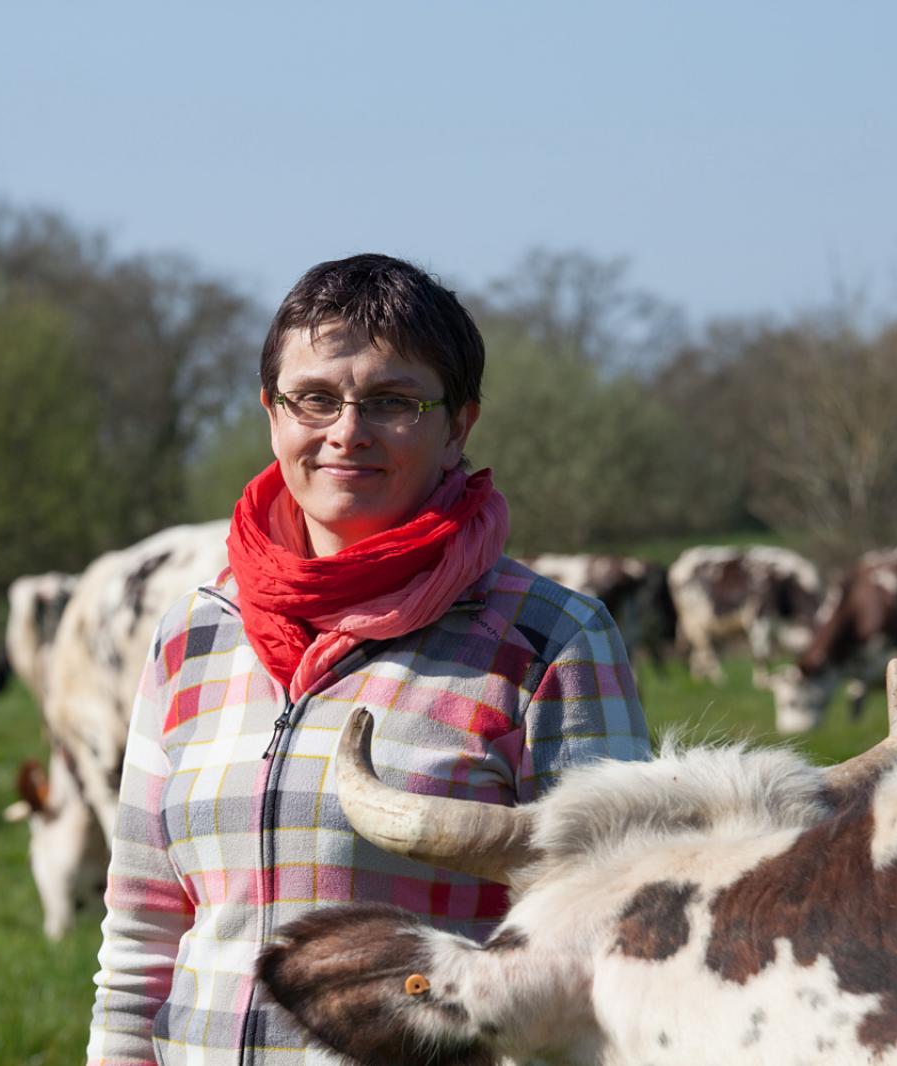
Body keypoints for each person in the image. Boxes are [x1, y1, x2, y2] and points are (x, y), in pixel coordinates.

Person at [86, 253, 651, 1065]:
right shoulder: (193, 636)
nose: (347, 431)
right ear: (272, 414)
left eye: (393, 402)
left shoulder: (551, 641)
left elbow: (609, 948)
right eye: (314, 398)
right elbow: (144, 933)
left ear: (458, 426)